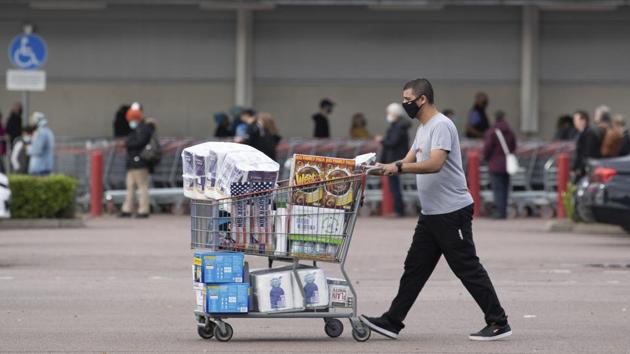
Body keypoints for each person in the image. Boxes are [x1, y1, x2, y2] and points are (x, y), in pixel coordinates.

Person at [360, 78, 510, 341]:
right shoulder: (423, 128)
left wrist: (398, 168)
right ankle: (392, 321)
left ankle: (498, 322)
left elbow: (435, 163)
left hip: (451, 213)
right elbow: (407, 160)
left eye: (408, 99)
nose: (405, 104)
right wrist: (381, 167)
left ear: (422, 99)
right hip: (431, 215)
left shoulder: (441, 125)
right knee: (415, 268)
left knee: (466, 267)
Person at [120, 102, 154, 218]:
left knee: (142, 186)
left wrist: (127, 143)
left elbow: (140, 142)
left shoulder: (144, 129)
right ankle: (127, 209)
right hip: (132, 163)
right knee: (130, 186)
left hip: (140, 162)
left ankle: (144, 210)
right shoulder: (137, 129)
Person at [377, 103, 410, 217]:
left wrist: (382, 140)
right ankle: (398, 209)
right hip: (395, 159)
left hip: (396, 160)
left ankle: (399, 210)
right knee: (394, 186)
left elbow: (392, 142)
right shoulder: (399, 126)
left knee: (395, 186)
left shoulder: (398, 127)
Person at [483, 111, 517, 219]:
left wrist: (486, 158)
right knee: (505, 188)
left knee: (497, 189)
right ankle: (504, 211)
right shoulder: (510, 132)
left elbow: (487, 148)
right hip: (507, 164)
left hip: (495, 163)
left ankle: (499, 212)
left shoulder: (492, 132)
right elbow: (513, 146)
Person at [572, 110, 602, 181]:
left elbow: (586, 153)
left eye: (576, 120)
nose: (574, 122)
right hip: (583, 167)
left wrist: (580, 169)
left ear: (583, 120)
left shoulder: (589, 134)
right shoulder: (581, 133)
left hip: (586, 169)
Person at [27, 112, 55, 176]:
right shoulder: (47, 131)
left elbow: (37, 150)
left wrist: (27, 148)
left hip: (40, 167)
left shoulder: (41, 133)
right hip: (45, 166)